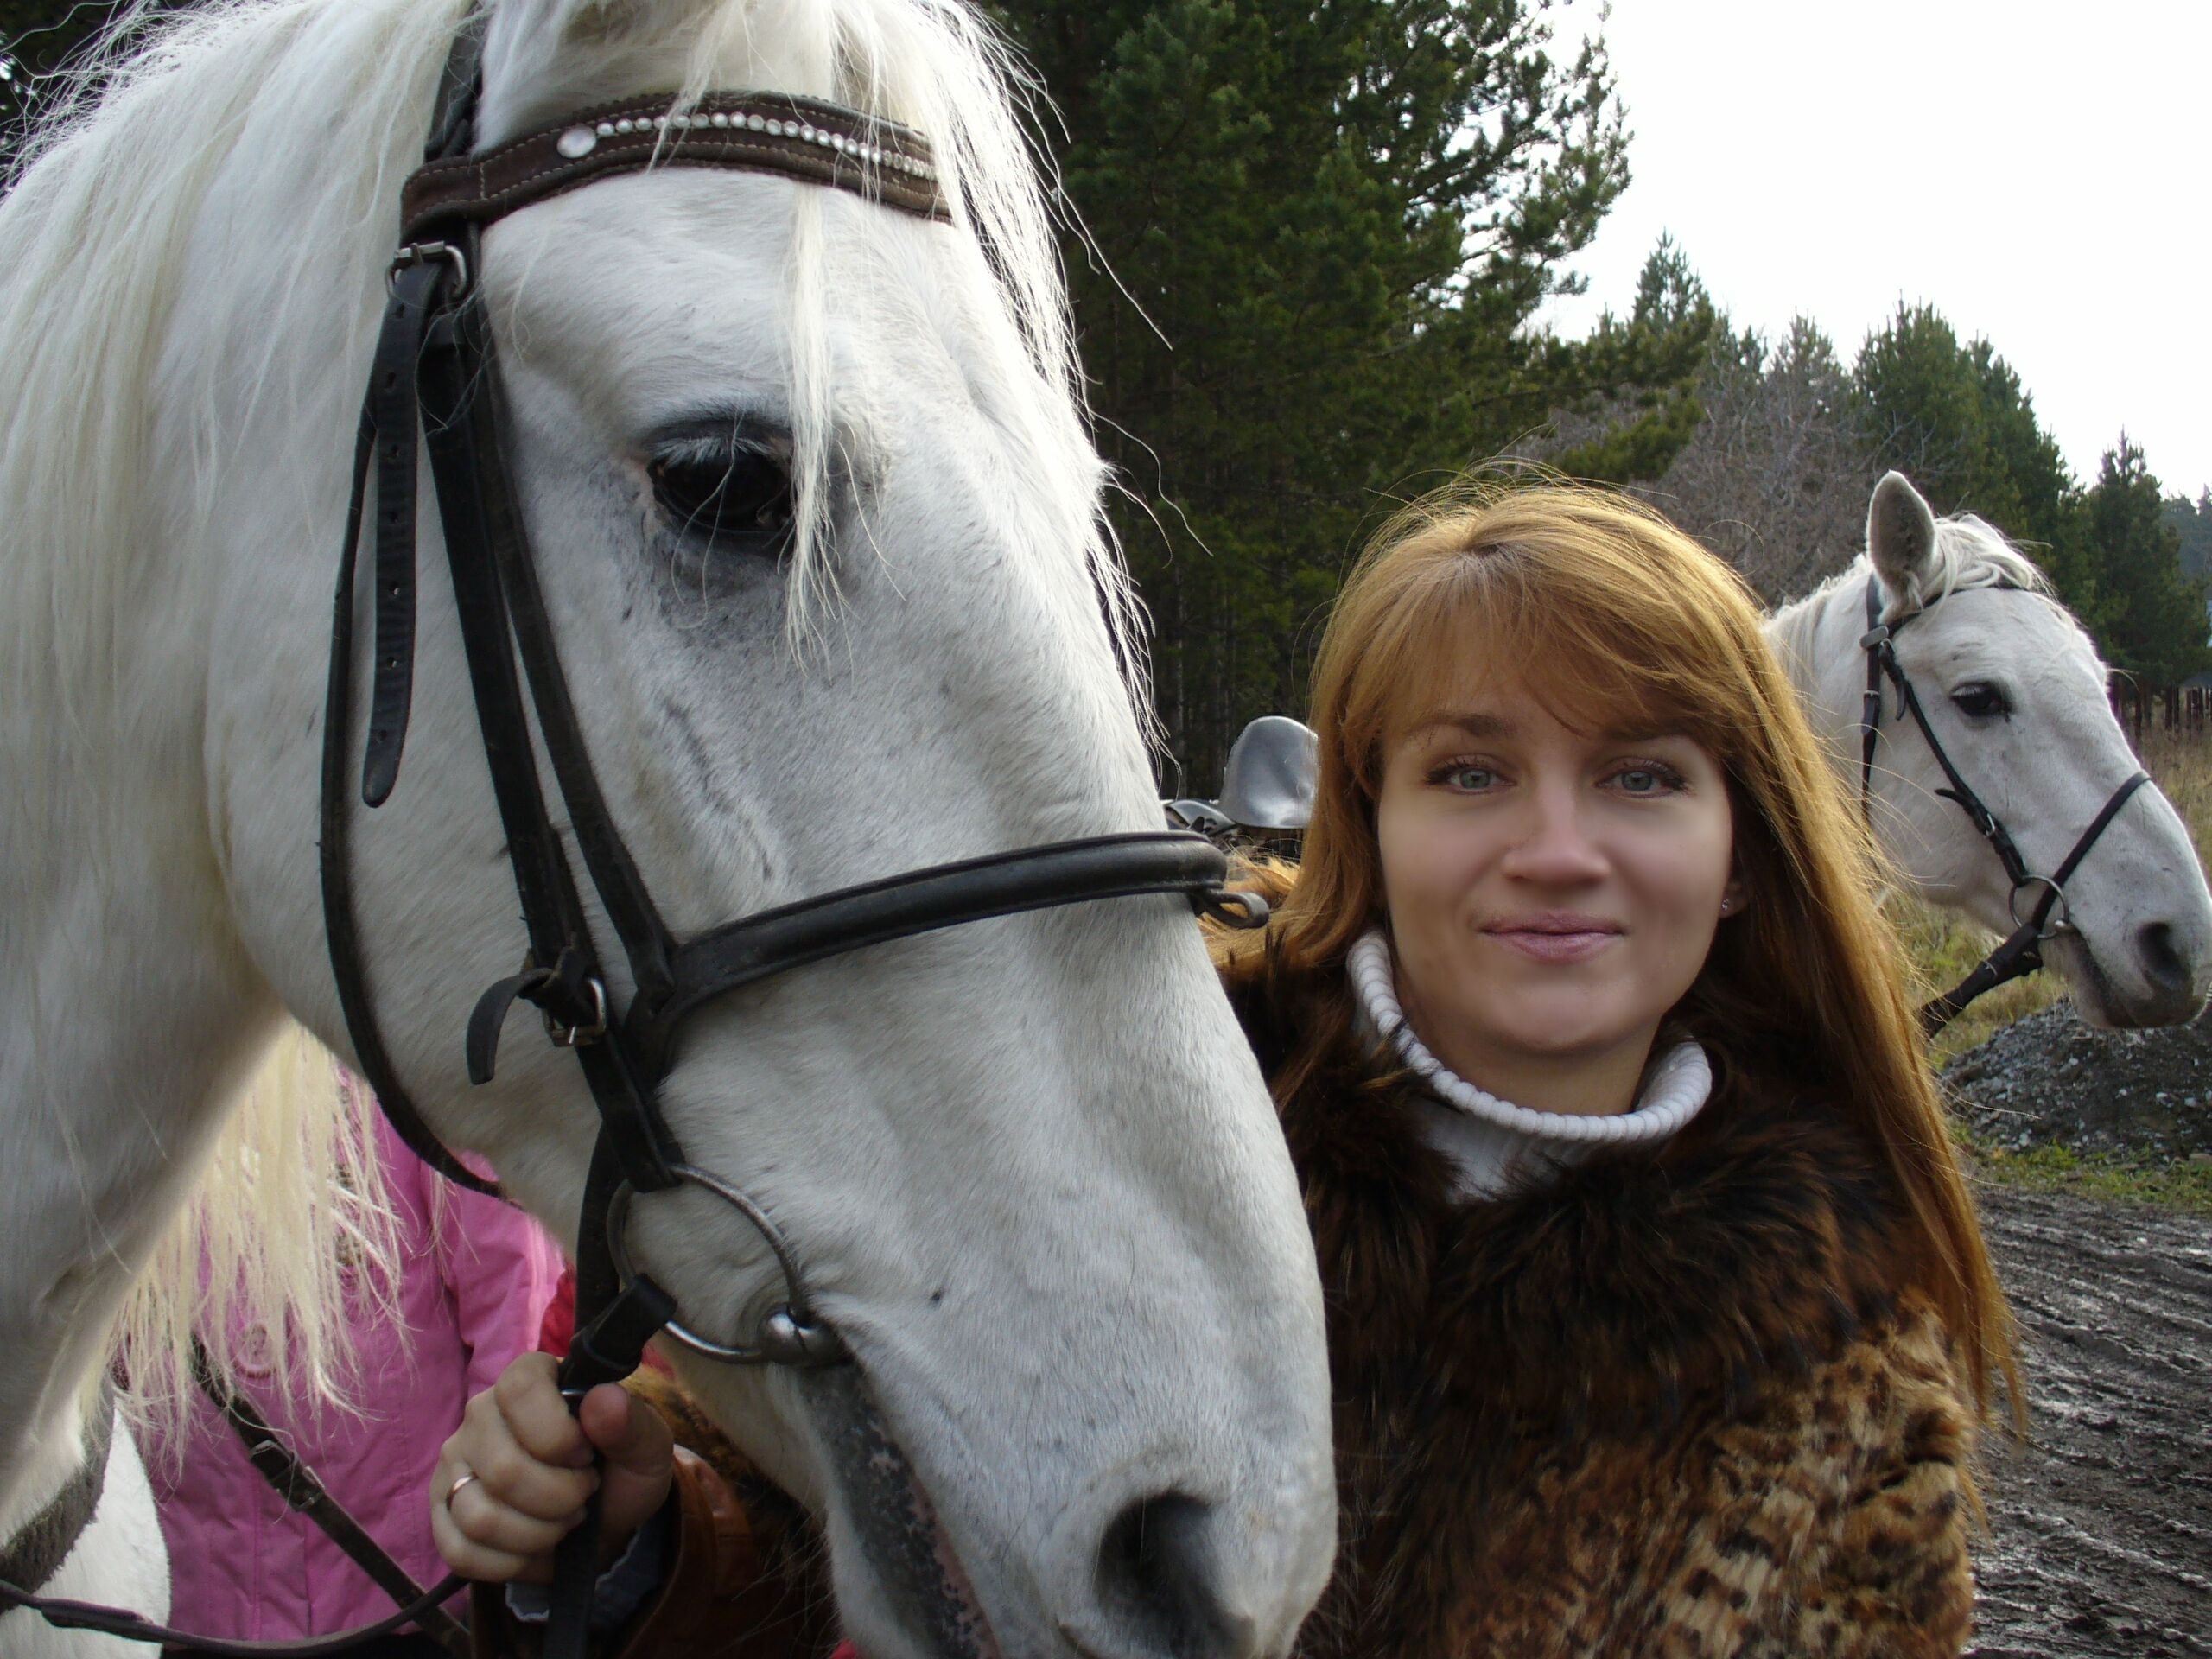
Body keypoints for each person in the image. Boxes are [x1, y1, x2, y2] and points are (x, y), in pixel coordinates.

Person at [431, 480, 2015, 1657]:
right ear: (1367, 825)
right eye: (1471, 772)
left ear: (1739, 855)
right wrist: (644, 1527)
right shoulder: (1103, 1134)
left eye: (1643, 777)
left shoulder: (1846, 1379)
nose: (1555, 849)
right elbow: (799, 1542)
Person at [149, 1075, 563, 1656]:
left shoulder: (400, 1082)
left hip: (410, 1607)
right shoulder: (127, 1097)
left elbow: (511, 1307)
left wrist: (495, 1512)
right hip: (184, 1611)